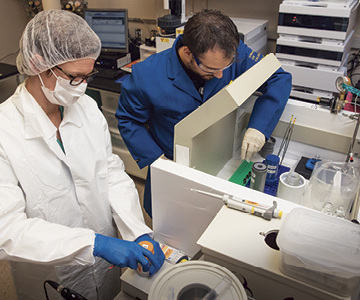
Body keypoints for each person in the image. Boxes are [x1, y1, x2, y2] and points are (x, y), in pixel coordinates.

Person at [0, 10, 164, 300]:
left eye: (88, 76)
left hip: (105, 266)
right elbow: (7, 230)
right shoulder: (5, 130)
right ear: (39, 65)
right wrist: (93, 244)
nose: (83, 87)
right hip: (49, 274)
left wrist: (137, 230)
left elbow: (110, 173)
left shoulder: (86, 107)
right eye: (75, 77)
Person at [116, 9, 292, 218]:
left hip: (220, 160)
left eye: (226, 67)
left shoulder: (231, 53)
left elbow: (278, 78)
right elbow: (128, 120)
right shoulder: (147, 75)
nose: (220, 75)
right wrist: (158, 161)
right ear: (188, 52)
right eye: (210, 69)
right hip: (173, 166)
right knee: (172, 229)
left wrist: (258, 128)